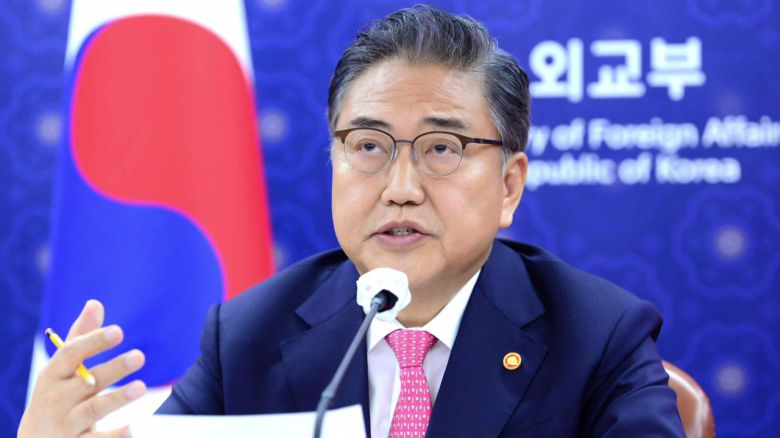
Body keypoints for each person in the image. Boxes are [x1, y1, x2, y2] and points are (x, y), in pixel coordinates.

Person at [19, 5, 685, 437]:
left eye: (442, 149)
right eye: (368, 146)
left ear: (509, 185)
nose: (401, 189)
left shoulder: (597, 336)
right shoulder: (248, 337)